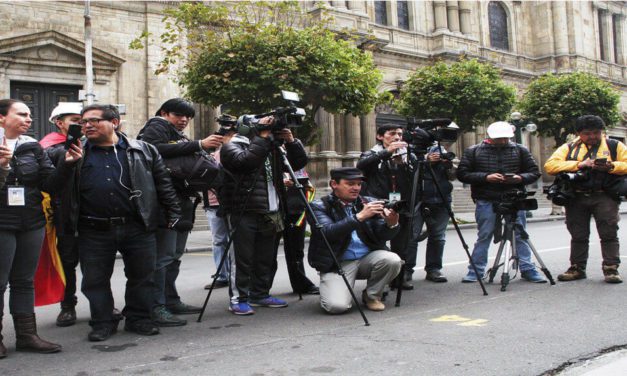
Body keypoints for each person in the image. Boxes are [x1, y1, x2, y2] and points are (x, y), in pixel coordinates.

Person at [62, 104, 182, 341]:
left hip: (137, 225)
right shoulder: (75, 152)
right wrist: (67, 163)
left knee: (142, 276)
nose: (87, 125)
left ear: (114, 122)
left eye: (94, 120)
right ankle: (103, 322)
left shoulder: (144, 150)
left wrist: (173, 212)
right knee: (95, 280)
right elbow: (59, 186)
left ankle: (139, 318)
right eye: (84, 122)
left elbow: (162, 184)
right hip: (93, 228)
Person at [0, 99, 82, 357]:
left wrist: (67, 164)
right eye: (22, 114)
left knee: (24, 281)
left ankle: (27, 335)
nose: (29, 119)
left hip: (31, 221)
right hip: (2, 221)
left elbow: (50, 184)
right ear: (2, 117)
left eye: (29, 114)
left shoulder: (32, 147)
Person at [138, 98, 223, 326]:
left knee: (174, 254)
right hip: (166, 203)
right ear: (164, 112)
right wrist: (198, 145)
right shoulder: (157, 125)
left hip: (181, 201)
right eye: (178, 115)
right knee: (164, 256)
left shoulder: (174, 131)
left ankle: (170, 299)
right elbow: (152, 148)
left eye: (187, 117)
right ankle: (156, 307)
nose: (183, 120)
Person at [220, 117, 307, 315]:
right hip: (244, 209)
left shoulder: (271, 147)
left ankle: (259, 294)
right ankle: (238, 298)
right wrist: (262, 138)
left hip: (272, 209)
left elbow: (298, 163)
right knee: (242, 259)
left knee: (265, 257)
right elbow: (244, 162)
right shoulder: (233, 145)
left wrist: (291, 142)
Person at [456, 121, 546, 283]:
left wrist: (520, 178)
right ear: (490, 137)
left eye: (506, 138)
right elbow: (462, 174)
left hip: (514, 198)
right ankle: (475, 271)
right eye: (500, 139)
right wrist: (485, 177)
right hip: (486, 198)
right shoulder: (473, 151)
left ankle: (527, 269)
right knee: (484, 235)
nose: (504, 141)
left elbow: (534, 172)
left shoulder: (520, 150)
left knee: (520, 234)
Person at [545, 115, 627, 283]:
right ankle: (577, 268)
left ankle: (611, 268)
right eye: (587, 133)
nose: (592, 137)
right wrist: (579, 165)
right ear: (579, 133)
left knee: (609, 232)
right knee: (578, 234)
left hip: (604, 195)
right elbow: (550, 166)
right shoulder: (568, 148)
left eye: (596, 133)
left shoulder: (614, 145)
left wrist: (612, 166)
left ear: (602, 132)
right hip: (576, 196)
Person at [307, 167, 402, 313]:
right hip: (337, 262)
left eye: (358, 184)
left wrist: (392, 224)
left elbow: (382, 236)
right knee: (336, 307)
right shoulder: (318, 206)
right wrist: (360, 217)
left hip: (367, 258)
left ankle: (372, 296)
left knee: (392, 260)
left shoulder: (369, 202)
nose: (356, 188)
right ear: (334, 184)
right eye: (350, 184)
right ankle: (335, 288)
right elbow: (327, 233)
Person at [356, 123, 416, 289]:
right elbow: (361, 166)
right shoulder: (372, 153)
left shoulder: (407, 156)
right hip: (378, 203)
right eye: (392, 134)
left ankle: (399, 278)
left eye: (399, 134)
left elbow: (415, 178)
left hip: (401, 203)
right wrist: (386, 153)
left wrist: (405, 163)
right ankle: (378, 282)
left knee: (402, 244)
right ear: (380, 136)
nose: (397, 137)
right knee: (379, 243)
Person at [40, 102, 83, 327]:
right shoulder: (48, 149)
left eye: (82, 121)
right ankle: (68, 305)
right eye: (75, 121)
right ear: (59, 123)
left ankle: (103, 304)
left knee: (97, 264)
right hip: (65, 217)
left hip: (92, 216)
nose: (81, 125)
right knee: (67, 262)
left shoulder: (94, 146)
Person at [405, 144, 456, 283]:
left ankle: (434, 269)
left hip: (441, 201)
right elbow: (408, 174)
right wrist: (425, 161)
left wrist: (448, 165)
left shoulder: (441, 150)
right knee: (411, 236)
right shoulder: (413, 151)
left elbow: (453, 177)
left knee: (438, 237)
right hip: (418, 201)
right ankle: (407, 270)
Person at [274, 169, 318, 295]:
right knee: (268, 253)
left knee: (296, 251)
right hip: (273, 211)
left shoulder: (294, 159)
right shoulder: (266, 156)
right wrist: (280, 182)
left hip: (296, 209)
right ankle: (260, 290)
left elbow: (306, 183)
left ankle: (301, 284)